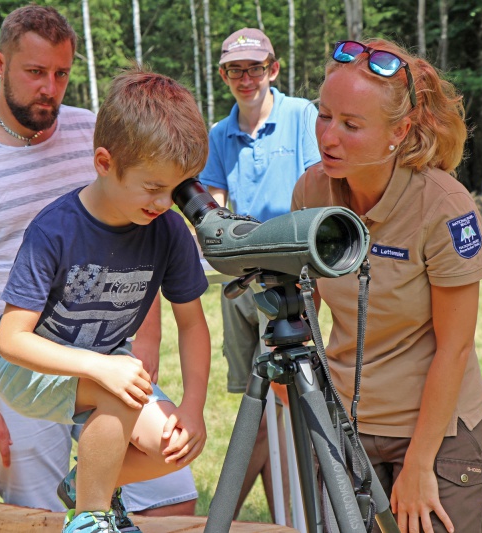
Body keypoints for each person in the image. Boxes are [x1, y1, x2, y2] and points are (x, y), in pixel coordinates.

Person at [0, 3, 198, 523]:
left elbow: (136, 242)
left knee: (170, 498)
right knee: (38, 514)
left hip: (105, 347)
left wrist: (146, 343)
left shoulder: (95, 133)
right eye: (35, 72)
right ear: (0, 64)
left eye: (62, 73)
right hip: (17, 357)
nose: (50, 87)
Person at [0, 67, 211, 533]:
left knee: (173, 444)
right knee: (118, 386)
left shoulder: (168, 230)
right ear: (104, 163)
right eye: (153, 188)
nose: (164, 203)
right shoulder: (54, 229)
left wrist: (192, 409)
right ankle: (91, 518)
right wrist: (98, 366)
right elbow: (11, 340)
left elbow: (192, 324)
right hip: (26, 368)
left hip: (106, 366)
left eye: (175, 190)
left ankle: (86, 486)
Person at [291, 38, 482, 533]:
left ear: (398, 132)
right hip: (345, 424)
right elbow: (303, 304)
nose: (328, 137)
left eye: (351, 125)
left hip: (435, 435)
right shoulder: (312, 191)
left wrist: (419, 465)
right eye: (324, 116)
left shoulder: (443, 206)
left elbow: (455, 346)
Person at [198, 27, 321, 521]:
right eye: (235, 70)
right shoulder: (218, 134)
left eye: (254, 68)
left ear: (273, 69)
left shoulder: (302, 116)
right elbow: (214, 200)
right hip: (241, 283)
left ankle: (251, 515)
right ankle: (281, 518)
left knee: (293, 401)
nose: (245, 79)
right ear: (223, 75)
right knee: (262, 402)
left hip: (295, 277)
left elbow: (318, 186)